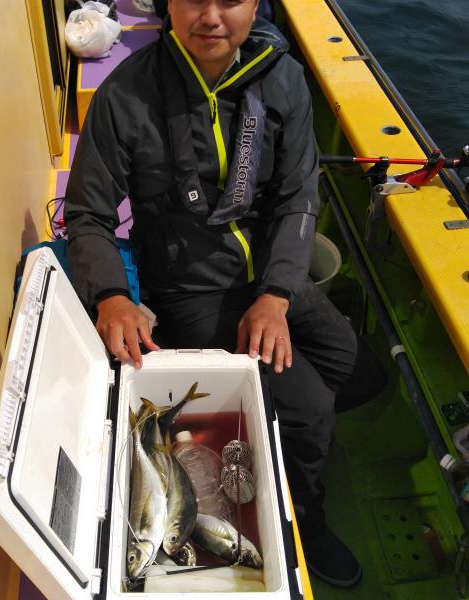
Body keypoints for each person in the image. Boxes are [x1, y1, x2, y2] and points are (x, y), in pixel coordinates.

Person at [65, 0, 386, 588]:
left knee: (362, 376)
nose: (211, 17)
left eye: (230, 0)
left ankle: (276, 436)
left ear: (255, 5)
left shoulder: (282, 77)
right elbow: (88, 215)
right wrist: (111, 295)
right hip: (192, 290)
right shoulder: (125, 94)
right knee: (311, 408)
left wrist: (277, 295)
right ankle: (307, 520)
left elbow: (297, 196)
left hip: (275, 279)